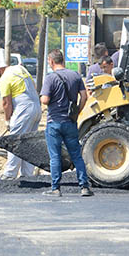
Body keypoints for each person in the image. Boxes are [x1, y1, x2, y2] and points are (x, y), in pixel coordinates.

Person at [40, 49, 93, 197]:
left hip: (54, 122)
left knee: (55, 156)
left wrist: (43, 99)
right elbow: (84, 96)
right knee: (76, 155)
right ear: (62, 60)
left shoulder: (50, 78)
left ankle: (55, 188)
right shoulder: (75, 75)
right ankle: (84, 187)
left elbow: (45, 100)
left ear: (51, 61)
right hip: (70, 122)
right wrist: (77, 112)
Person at [0, 61, 41, 180]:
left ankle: (10, 174)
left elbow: (6, 103)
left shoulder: (5, 77)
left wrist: (7, 120)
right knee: (29, 142)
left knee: (14, 141)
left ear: (0, 69)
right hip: (36, 107)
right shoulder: (21, 69)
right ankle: (28, 174)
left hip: (24, 109)